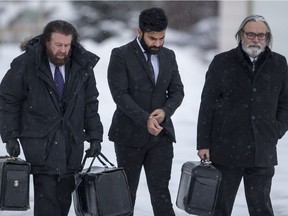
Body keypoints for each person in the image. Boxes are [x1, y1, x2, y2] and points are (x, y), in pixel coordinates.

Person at [0, 20, 103, 216]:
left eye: (67, 45)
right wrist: (10, 136)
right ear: (47, 42)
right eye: (58, 45)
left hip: (72, 144)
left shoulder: (82, 66)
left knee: (63, 201)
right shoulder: (25, 64)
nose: (63, 50)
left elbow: (90, 104)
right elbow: (7, 101)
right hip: (40, 144)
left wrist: (95, 137)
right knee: (47, 201)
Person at [197, 14, 288, 216]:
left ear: (267, 37)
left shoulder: (279, 64)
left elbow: (285, 103)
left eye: (261, 35)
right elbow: (207, 106)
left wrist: (276, 130)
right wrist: (203, 143)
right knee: (220, 209)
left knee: (261, 209)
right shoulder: (222, 62)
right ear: (241, 35)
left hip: (262, 150)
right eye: (251, 34)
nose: (256, 39)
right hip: (226, 149)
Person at [107, 7, 184, 216]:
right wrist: (145, 118)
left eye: (162, 38)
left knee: (161, 193)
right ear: (139, 31)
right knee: (125, 196)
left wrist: (166, 111)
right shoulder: (120, 55)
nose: (157, 43)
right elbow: (119, 94)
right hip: (129, 136)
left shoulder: (169, 56)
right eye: (152, 38)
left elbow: (177, 90)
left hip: (161, 136)